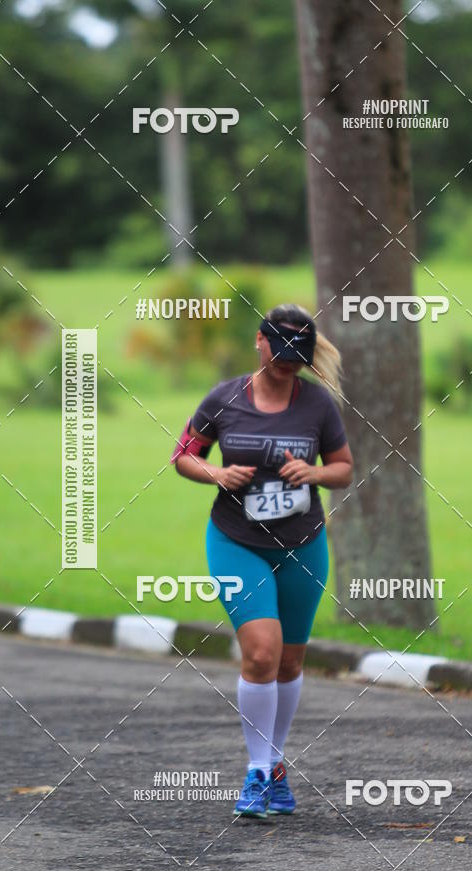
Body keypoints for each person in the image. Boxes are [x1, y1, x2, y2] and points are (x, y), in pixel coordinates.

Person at [171, 304, 353, 818]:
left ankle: (276, 766)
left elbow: (343, 469)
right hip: (236, 542)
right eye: (281, 356)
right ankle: (257, 772)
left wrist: (312, 474)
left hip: (303, 544)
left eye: (299, 359)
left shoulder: (317, 406)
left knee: (291, 660)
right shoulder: (225, 398)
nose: (288, 365)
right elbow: (184, 453)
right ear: (260, 343)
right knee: (261, 652)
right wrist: (216, 475)